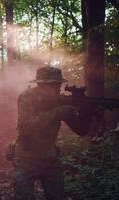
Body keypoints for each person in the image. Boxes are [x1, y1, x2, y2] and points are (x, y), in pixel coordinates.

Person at [8, 66, 94, 200]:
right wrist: (56, 113)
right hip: (25, 156)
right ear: (41, 85)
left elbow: (81, 130)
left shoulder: (59, 101)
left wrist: (87, 112)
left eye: (58, 84)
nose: (58, 88)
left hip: (50, 156)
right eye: (53, 85)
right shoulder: (27, 97)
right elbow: (25, 127)